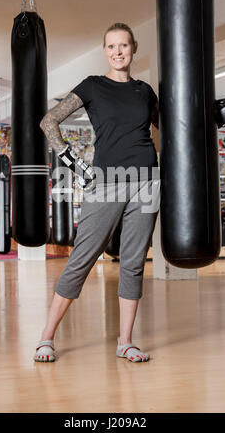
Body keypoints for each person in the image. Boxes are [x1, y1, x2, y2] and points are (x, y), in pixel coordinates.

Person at [34, 22, 160, 363]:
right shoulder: (93, 86)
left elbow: (168, 130)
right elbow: (49, 121)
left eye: (124, 46)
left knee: (133, 262)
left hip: (147, 181)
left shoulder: (145, 91)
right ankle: (46, 338)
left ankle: (126, 342)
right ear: (105, 50)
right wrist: (75, 165)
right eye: (111, 47)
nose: (118, 52)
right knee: (82, 260)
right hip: (107, 181)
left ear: (134, 47)